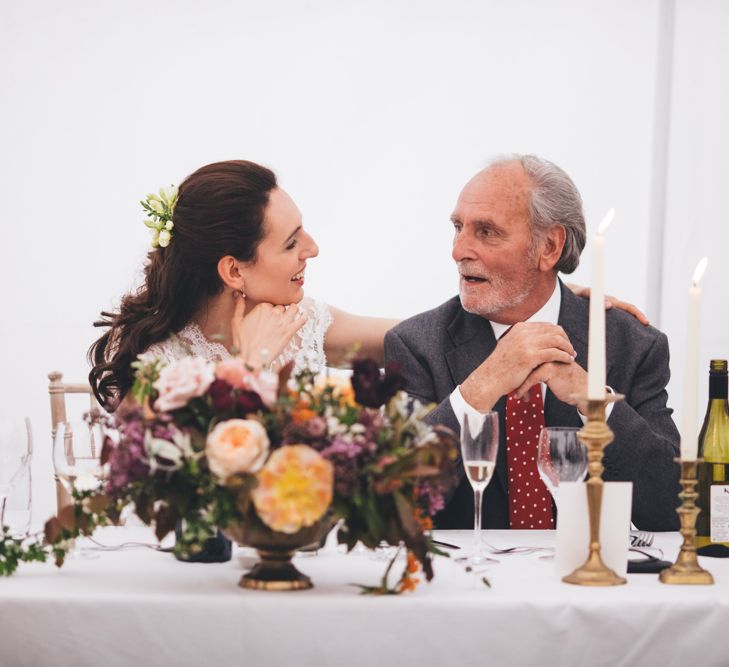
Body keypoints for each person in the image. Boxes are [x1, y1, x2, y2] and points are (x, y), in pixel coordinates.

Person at [89, 158, 649, 414]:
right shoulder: (158, 363)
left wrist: (548, 297)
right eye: (290, 243)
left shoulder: (306, 322)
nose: (312, 249)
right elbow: (190, 491)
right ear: (234, 270)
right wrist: (252, 370)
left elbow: (439, 330)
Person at [384, 154, 680, 532]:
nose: (459, 251)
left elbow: (673, 509)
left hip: (585, 585)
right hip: (466, 584)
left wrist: (594, 401)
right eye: (458, 227)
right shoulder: (415, 347)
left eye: (486, 231)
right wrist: (482, 384)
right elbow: (395, 503)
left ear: (550, 247)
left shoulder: (631, 345)